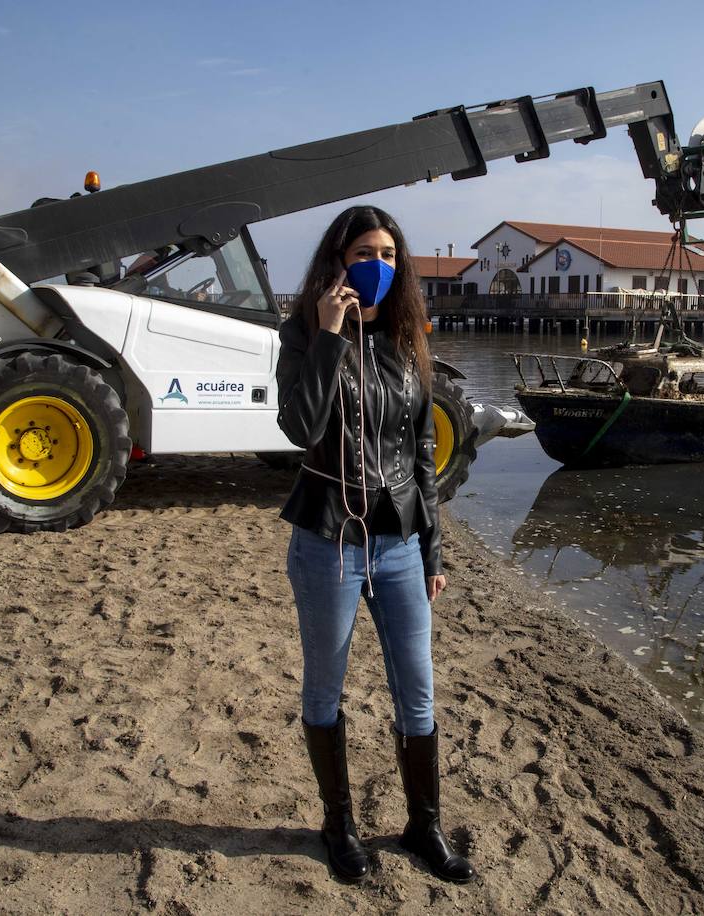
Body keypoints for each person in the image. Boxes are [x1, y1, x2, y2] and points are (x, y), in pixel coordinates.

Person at [276, 205, 475, 885]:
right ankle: (339, 824)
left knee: (417, 690)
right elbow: (300, 428)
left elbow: (422, 457)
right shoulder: (304, 331)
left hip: (398, 544)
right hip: (328, 540)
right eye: (365, 252)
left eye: (389, 254)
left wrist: (433, 552)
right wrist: (330, 335)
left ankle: (424, 825)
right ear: (338, 260)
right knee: (325, 688)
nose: (379, 265)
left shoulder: (407, 338)